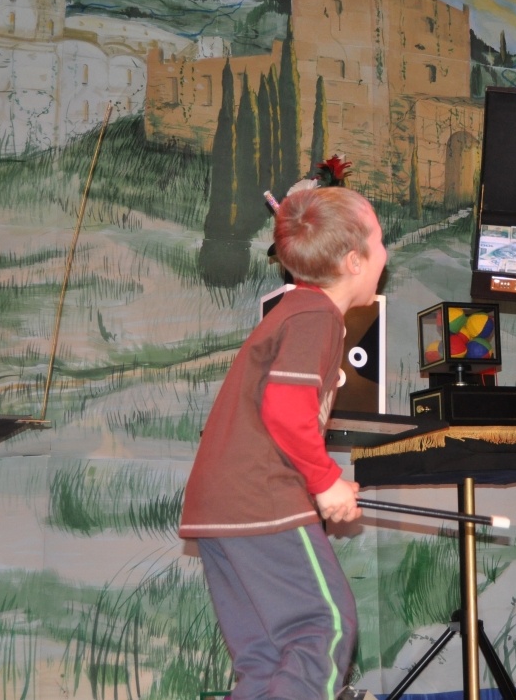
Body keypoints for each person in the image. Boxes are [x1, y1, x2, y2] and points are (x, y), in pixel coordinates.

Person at [179, 186, 387, 700]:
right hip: (261, 499)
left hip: (222, 506)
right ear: (355, 260)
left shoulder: (295, 312)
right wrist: (326, 481)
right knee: (323, 627)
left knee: (265, 658)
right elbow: (285, 410)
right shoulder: (317, 317)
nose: (386, 254)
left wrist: (323, 481)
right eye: (381, 242)